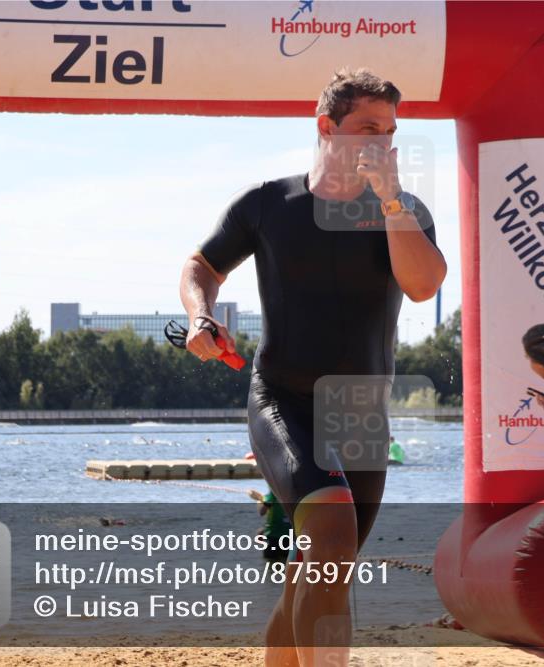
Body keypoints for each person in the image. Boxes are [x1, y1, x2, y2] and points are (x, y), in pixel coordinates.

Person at [179, 67, 446, 667]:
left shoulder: (402, 209)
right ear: (327, 126)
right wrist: (202, 317)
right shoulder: (269, 204)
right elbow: (202, 265)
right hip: (284, 398)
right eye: (368, 128)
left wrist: (391, 201)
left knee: (319, 568)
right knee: (329, 537)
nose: (383, 142)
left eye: (391, 131)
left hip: (360, 418)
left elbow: (424, 285)